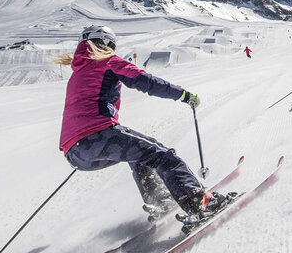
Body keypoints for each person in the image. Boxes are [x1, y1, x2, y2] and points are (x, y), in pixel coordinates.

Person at [54, 25, 228, 222]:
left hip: (75, 152)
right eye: (111, 44)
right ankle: (199, 203)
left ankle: (160, 201)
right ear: (105, 43)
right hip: (97, 135)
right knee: (162, 156)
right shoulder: (106, 60)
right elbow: (144, 81)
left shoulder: (78, 72)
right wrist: (183, 95)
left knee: (139, 156)